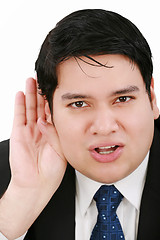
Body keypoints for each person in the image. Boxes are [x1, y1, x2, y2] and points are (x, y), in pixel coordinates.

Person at [0, 8, 159, 240]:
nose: (104, 127)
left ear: (152, 98)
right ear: (49, 110)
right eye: (79, 103)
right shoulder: (9, 172)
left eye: (122, 99)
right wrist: (18, 208)